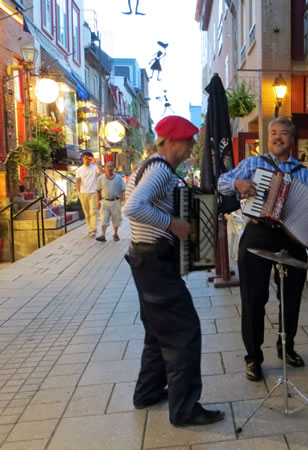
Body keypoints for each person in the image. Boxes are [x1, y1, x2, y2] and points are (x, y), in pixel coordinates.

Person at [123, 115, 224, 427]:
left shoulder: (146, 166)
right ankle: (184, 409)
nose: (192, 147)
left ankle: (148, 391)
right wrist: (174, 224)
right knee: (184, 331)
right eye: (188, 141)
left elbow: (136, 204)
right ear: (171, 142)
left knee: (157, 331)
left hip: (145, 259)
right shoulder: (159, 170)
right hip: (154, 262)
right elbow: (133, 208)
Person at [217, 117, 308, 382]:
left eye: (283, 133)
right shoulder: (252, 163)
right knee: (253, 298)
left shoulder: (303, 172)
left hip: (291, 237)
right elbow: (221, 182)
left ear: (292, 140)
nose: (277, 137)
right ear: (267, 138)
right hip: (258, 232)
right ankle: (253, 357)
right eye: (273, 133)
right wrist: (237, 185)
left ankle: (287, 346)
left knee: (291, 297)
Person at [95, 161, 126, 242]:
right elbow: (97, 191)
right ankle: (103, 235)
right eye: (107, 166)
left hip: (116, 201)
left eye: (111, 166)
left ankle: (115, 234)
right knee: (104, 218)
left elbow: (123, 189)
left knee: (116, 219)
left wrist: (123, 198)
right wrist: (97, 201)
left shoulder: (119, 178)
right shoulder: (100, 178)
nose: (109, 168)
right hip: (105, 201)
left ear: (114, 168)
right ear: (104, 168)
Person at [75, 151, 104, 238]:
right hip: (83, 193)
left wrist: (95, 162)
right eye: (85, 158)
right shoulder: (79, 170)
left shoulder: (94, 167)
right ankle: (90, 228)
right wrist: (77, 191)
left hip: (93, 193)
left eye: (89, 158)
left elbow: (102, 172)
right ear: (83, 159)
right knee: (87, 213)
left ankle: (93, 230)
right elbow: (78, 181)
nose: (87, 160)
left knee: (93, 212)